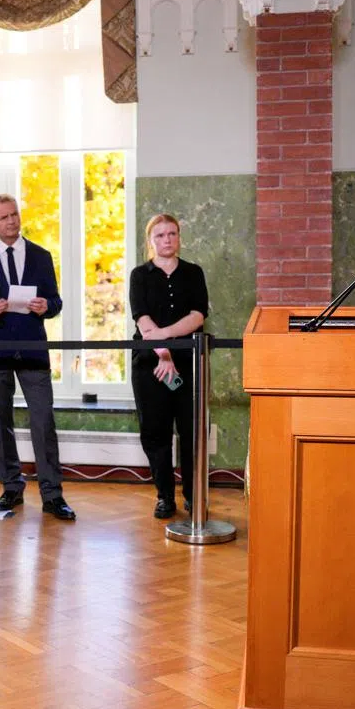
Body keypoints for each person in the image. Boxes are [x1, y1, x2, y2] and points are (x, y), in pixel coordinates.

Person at [0, 194, 75, 521]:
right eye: (4, 217)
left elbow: (55, 302)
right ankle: (11, 488)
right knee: (1, 422)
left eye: (14, 215)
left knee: (43, 420)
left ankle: (53, 495)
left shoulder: (41, 255)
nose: (11, 221)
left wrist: (46, 306)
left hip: (32, 350)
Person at [128, 213, 209, 519]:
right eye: (160, 235)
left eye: (172, 234)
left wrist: (165, 338)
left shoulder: (193, 272)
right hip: (151, 365)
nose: (167, 240)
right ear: (151, 241)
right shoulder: (140, 275)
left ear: (179, 237)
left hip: (187, 365)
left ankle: (192, 494)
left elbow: (197, 316)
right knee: (155, 432)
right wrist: (163, 352)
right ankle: (164, 496)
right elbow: (142, 319)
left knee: (190, 431)